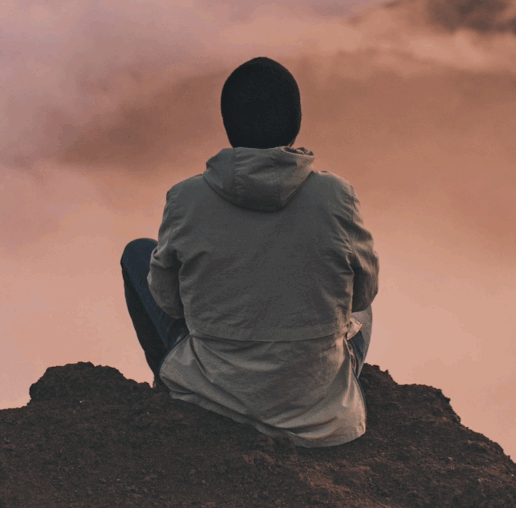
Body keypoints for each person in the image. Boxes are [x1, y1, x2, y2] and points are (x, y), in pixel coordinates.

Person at [120, 56, 378, 447]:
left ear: (228, 126)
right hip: (317, 409)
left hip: (213, 391)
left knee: (138, 254)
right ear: (295, 124)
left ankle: (172, 387)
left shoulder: (185, 198)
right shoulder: (336, 196)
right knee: (362, 309)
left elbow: (169, 304)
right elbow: (362, 295)